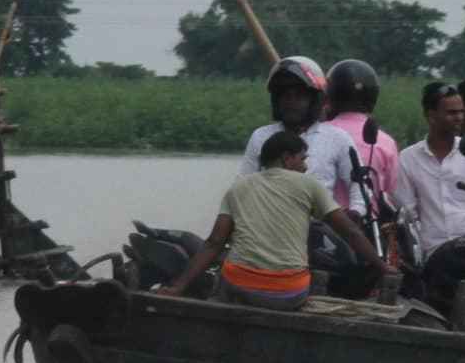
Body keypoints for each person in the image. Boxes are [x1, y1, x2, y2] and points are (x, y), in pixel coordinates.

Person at [163, 130, 383, 309]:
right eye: (302, 159)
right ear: (287, 158)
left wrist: (178, 287)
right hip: (290, 293)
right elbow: (350, 231)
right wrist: (381, 266)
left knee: (221, 284)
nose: (305, 167)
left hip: (240, 287)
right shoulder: (309, 186)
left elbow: (214, 242)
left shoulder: (238, 188)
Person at [389, 82, 465, 261]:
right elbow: (407, 214)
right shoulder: (408, 158)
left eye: (461, 112)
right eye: (451, 113)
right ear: (431, 116)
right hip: (434, 254)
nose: (459, 118)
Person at [234, 57, 353, 192]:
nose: (291, 102)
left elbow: (359, 190)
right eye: (286, 97)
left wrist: (355, 211)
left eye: (299, 96)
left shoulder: (337, 138)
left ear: (314, 100)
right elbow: (241, 185)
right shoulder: (260, 136)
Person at [321, 59, 400, 227]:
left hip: (324, 230)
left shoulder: (317, 134)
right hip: (371, 232)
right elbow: (390, 194)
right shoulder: (385, 142)